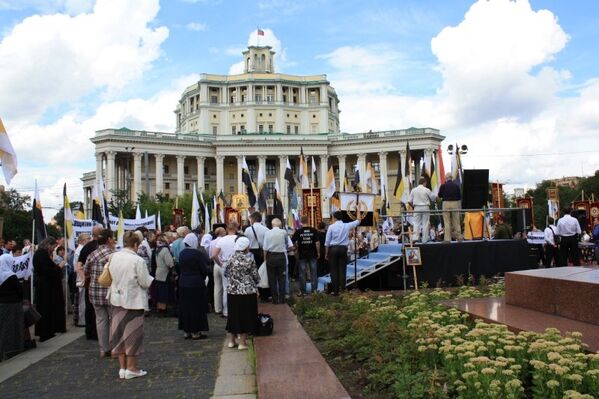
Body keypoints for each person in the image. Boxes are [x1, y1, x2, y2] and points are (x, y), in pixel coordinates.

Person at [108, 231, 154, 380]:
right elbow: (145, 281)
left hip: (116, 298)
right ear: (135, 244)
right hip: (133, 301)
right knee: (132, 335)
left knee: (119, 334)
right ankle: (132, 367)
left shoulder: (113, 257)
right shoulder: (137, 260)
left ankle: (122, 367)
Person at [84, 229, 117, 357]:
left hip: (94, 291)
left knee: (101, 320)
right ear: (109, 239)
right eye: (113, 238)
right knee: (113, 319)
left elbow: (86, 271)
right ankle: (114, 347)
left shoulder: (92, 254)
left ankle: (104, 349)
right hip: (109, 291)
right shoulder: (113, 255)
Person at [224, 236, 259, 350]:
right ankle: (242, 342)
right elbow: (256, 276)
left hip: (232, 291)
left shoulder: (230, 258)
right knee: (245, 315)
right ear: (246, 247)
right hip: (247, 291)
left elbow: (226, 273)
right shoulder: (249, 259)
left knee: (233, 315)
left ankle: (231, 340)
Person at [178, 233, 211, 340]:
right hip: (196, 283)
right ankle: (196, 331)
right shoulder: (197, 254)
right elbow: (204, 269)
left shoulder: (182, 253)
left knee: (186, 307)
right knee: (196, 308)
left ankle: (186, 330)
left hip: (183, 283)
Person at [33, 237, 66, 342]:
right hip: (45, 287)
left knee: (47, 309)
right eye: (53, 247)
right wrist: (59, 267)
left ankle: (49, 330)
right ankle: (45, 332)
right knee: (45, 309)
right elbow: (47, 270)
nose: (53, 249)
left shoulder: (42, 254)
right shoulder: (41, 255)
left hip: (46, 286)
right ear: (48, 245)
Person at [325, 210, 361, 296]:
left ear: (335, 217)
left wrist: (326, 253)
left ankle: (335, 291)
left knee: (334, 270)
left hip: (333, 249)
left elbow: (327, 241)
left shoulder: (331, 227)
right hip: (343, 249)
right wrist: (358, 209)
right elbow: (359, 220)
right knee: (342, 269)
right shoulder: (346, 225)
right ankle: (343, 289)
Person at [78, 225, 102, 340]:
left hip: (89, 282)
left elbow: (79, 266)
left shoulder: (86, 247)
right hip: (99, 282)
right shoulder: (99, 248)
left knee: (89, 308)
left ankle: (90, 332)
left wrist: (85, 278)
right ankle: (98, 332)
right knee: (100, 309)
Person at [211, 222, 239, 317]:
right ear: (236, 228)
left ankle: (226, 311)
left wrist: (220, 263)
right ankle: (236, 309)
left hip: (225, 263)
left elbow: (214, 255)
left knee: (226, 287)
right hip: (236, 263)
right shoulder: (238, 239)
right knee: (237, 287)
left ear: (227, 229)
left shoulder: (222, 240)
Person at [0, 254, 24, 360]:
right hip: (13, 305)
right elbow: (19, 290)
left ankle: (3, 350)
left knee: (3, 328)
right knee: (13, 328)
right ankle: (13, 349)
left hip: (2, 305)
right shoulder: (11, 276)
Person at [292, 216, 320, 296]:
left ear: (301, 222)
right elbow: (317, 243)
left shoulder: (298, 231)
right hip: (313, 254)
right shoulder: (314, 230)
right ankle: (314, 290)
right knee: (313, 273)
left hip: (302, 254)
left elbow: (292, 241)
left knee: (302, 273)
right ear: (308, 220)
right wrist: (318, 253)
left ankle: (302, 291)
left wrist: (296, 247)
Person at [243, 212, 269, 301]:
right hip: (262, 252)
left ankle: (253, 293)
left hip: (251, 252)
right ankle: (264, 294)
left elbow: (245, 242)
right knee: (262, 272)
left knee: (251, 272)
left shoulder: (248, 230)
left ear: (253, 219)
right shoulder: (266, 229)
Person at [263, 218, 289, 304]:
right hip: (281, 256)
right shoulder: (284, 232)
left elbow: (265, 248)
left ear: (272, 224)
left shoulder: (267, 233)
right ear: (280, 224)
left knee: (272, 278)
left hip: (271, 256)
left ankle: (274, 299)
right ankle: (282, 299)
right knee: (282, 278)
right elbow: (286, 243)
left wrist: (265, 259)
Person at [408, 177, 437, 243]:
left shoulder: (413, 190)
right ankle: (425, 239)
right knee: (425, 223)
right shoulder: (426, 190)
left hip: (416, 207)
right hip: (425, 207)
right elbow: (433, 198)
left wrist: (413, 207)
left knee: (416, 223)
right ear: (424, 183)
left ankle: (415, 238)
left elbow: (409, 201)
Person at [153, 234, 175, 314]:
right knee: (164, 291)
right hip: (165, 273)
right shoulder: (165, 250)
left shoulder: (157, 249)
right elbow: (169, 262)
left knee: (160, 291)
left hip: (158, 272)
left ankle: (160, 307)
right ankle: (164, 308)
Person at [438, 173, 462, 242]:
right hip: (455, 203)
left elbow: (439, 195)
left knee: (447, 221)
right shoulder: (456, 186)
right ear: (451, 178)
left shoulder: (443, 186)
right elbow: (459, 197)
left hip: (446, 203)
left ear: (446, 178)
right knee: (456, 221)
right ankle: (459, 237)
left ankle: (447, 239)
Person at [73, 233, 91, 327]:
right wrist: (84, 278)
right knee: (82, 301)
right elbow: (78, 266)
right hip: (82, 277)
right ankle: (82, 321)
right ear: (82, 240)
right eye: (88, 238)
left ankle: (83, 320)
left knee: (83, 300)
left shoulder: (81, 249)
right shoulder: (80, 250)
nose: (90, 240)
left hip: (83, 276)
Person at [210, 227, 226, 315]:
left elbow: (210, 254)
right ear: (221, 232)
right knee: (225, 286)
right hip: (222, 263)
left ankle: (217, 308)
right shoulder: (224, 241)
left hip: (215, 264)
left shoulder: (212, 242)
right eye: (224, 231)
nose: (225, 232)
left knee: (217, 286)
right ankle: (225, 308)